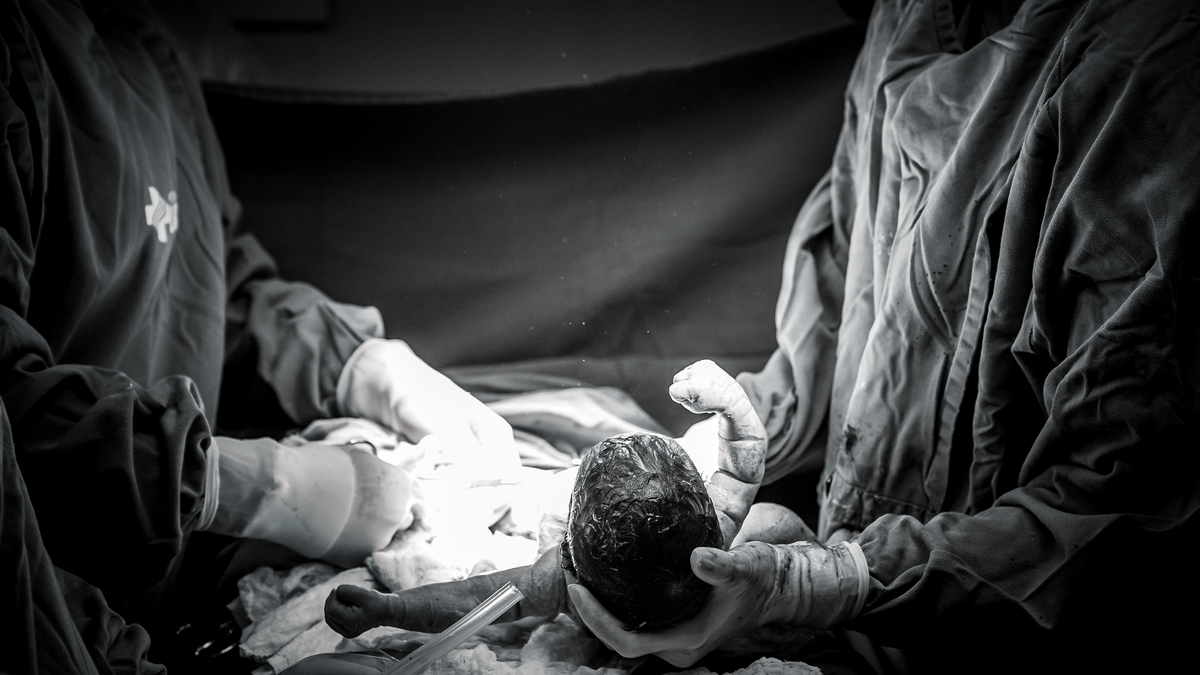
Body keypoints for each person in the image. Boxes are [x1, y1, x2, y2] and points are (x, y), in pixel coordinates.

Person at [566, 0, 1200, 672]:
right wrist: (716, 457)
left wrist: (813, 582)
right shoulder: (902, 19)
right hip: (841, 601)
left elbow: (1116, 512)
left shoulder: (1147, 69)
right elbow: (835, 320)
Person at [0, 0, 515, 672]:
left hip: (161, 593)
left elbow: (212, 292)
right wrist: (248, 485)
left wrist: (357, 363)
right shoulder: (17, 54)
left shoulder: (149, 50)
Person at [321, 360, 840, 643]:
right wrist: (728, 402)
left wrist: (390, 609)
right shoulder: (727, 536)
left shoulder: (569, 579)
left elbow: (474, 599)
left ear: (570, 539)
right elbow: (743, 457)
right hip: (759, 589)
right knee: (778, 524)